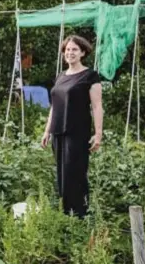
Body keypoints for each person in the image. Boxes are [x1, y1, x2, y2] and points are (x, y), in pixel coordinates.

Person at [41, 35, 103, 218]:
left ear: (83, 52)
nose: (70, 53)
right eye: (67, 50)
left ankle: (80, 216)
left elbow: (97, 106)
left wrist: (98, 134)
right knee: (61, 174)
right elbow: (54, 106)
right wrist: (47, 130)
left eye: (74, 49)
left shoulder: (90, 76)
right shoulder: (60, 76)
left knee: (74, 174)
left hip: (77, 132)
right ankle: (65, 215)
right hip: (58, 131)